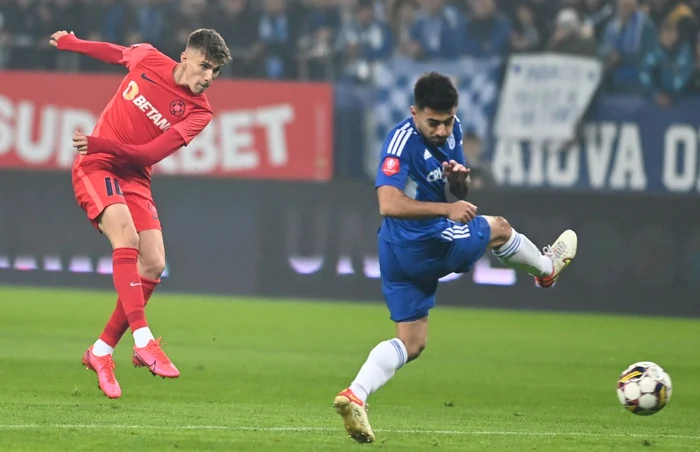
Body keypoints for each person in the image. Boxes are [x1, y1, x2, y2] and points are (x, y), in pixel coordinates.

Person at [333, 72, 578, 443]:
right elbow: (388, 202)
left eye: (447, 121)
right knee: (498, 227)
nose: (442, 130)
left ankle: (355, 395)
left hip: (397, 254)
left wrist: (459, 181)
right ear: (414, 112)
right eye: (433, 122)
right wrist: (446, 208)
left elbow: (458, 187)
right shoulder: (400, 141)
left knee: (412, 342)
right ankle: (546, 270)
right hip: (425, 242)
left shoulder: (454, 130)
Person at [49, 28, 231, 399]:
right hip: (97, 165)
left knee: (154, 263)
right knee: (127, 238)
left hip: (134, 175)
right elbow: (114, 52)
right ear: (186, 57)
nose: (209, 77)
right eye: (205, 66)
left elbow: (148, 155)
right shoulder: (147, 58)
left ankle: (100, 352)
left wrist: (99, 139)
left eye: (215, 71)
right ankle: (143, 340)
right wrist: (72, 43)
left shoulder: (200, 111)